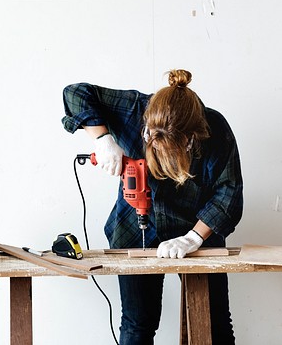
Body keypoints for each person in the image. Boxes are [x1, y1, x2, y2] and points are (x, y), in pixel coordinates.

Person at [61, 69, 243, 344]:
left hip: (196, 225)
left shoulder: (214, 129)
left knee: (214, 322)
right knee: (138, 324)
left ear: (192, 137)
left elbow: (229, 191)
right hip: (135, 226)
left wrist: (193, 238)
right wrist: (103, 139)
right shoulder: (136, 109)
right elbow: (75, 92)